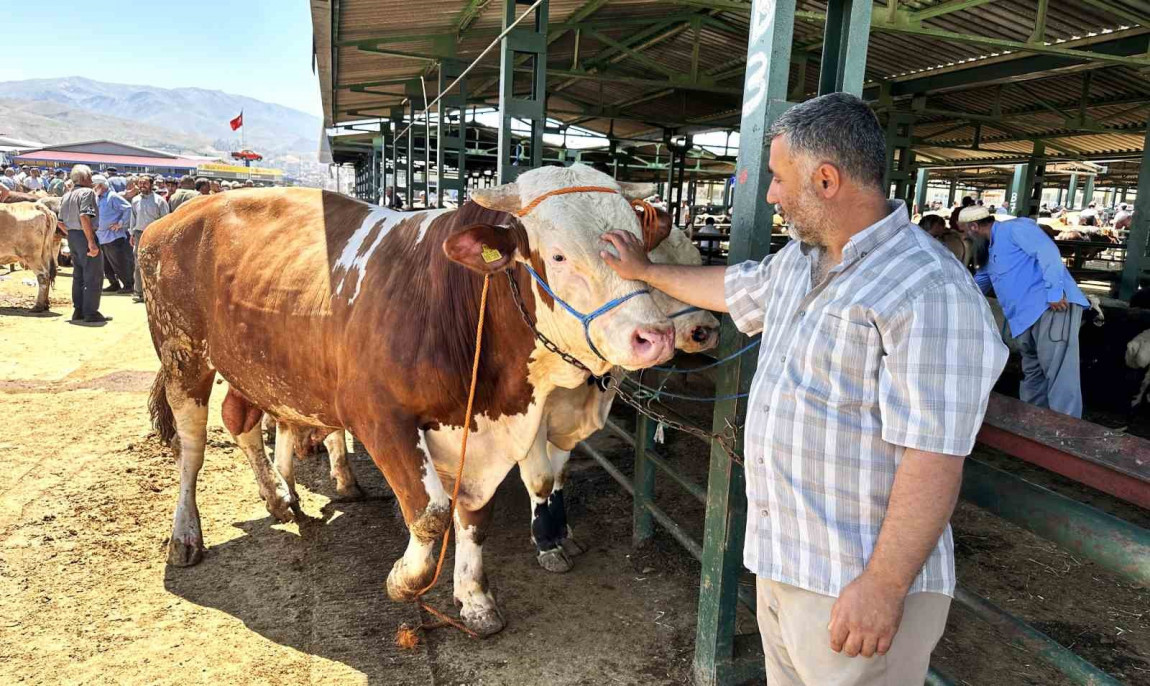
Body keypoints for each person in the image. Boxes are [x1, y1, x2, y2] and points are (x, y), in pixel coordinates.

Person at [601, 92, 1007, 686]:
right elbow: (734, 287)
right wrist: (646, 272)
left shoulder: (928, 291)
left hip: (855, 581)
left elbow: (934, 456)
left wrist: (883, 586)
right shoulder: (801, 262)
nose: (769, 195)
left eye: (776, 178)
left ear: (825, 179)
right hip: (786, 563)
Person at [959, 204, 1089, 417]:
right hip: (1023, 318)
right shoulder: (991, 250)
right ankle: (1034, 424)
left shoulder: (1015, 229)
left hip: (1051, 308)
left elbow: (1047, 252)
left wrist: (1055, 292)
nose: (966, 238)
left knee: (1059, 372)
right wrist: (958, 298)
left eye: (965, 232)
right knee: (1033, 372)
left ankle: (1064, 432)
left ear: (974, 227)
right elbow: (981, 280)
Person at [58, 165, 110, 324]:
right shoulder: (88, 193)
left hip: (73, 236)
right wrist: (90, 242)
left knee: (78, 275)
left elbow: (60, 222)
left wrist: (73, 235)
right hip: (85, 234)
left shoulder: (68, 195)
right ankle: (91, 312)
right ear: (86, 178)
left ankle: (78, 310)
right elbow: (85, 217)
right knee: (93, 275)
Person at [128, 175, 170, 303]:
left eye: (145, 183)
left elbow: (166, 220)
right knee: (138, 263)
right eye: (140, 183)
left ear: (151, 185)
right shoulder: (135, 200)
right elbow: (133, 218)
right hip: (139, 234)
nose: (142, 186)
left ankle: (155, 292)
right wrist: (132, 234)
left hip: (155, 235)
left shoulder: (159, 201)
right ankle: (138, 291)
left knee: (156, 264)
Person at [92, 174, 135, 294]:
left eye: (94, 185)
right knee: (106, 264)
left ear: (100, 185)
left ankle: (128, 285)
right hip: (101, 236)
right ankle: (113, 283)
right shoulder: (97, 198)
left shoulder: (113, 197)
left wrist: (120, 224)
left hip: (114, 236)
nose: (93, 188)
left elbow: (128, 208)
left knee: (119, 262)